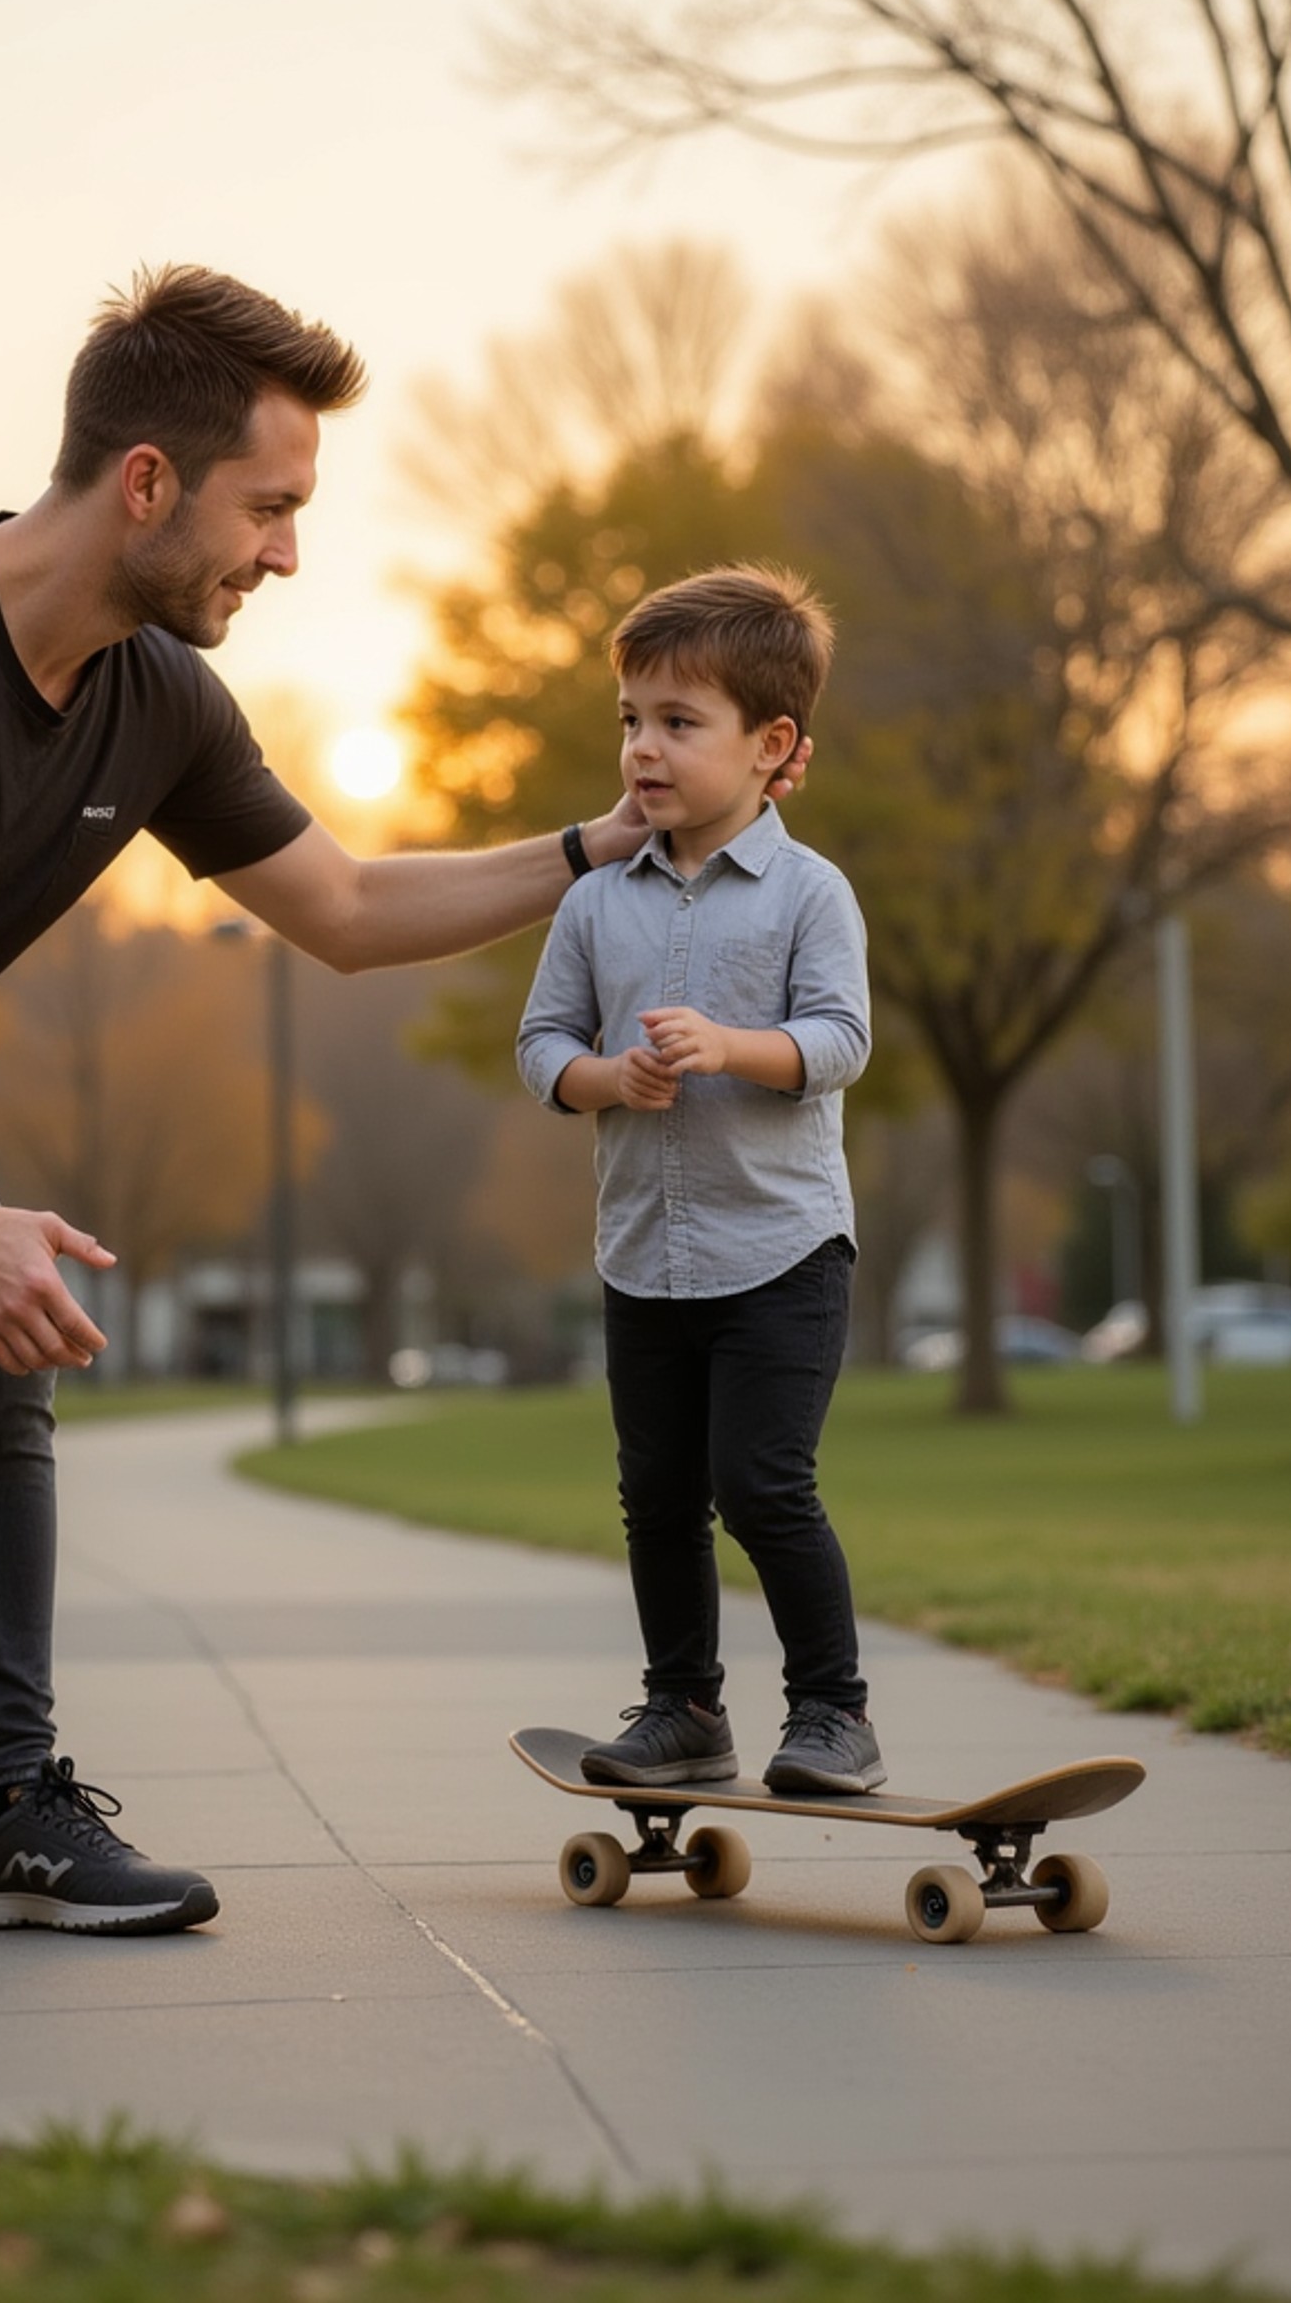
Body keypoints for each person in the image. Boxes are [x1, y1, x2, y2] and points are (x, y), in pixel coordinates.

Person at [0, 266, 811, 1940]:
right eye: (268, 509)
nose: (285, 554)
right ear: (146, 481)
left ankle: (6, 1816)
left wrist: (602, 842)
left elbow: (344, 913)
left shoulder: (159, 699)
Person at [516, 565, 882, 1797]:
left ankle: (832, 1713)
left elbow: (840, 1042)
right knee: (656, 1496)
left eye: (678, 723)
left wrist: (729, 1049)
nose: (641, 750)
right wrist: (602, 1082)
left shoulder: (807, 893)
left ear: (772, 745)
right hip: (643, 1254)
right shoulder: (593, 902)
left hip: (779, 1252)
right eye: (628, 720)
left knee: (760, 1484)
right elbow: (539, 1048)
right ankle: (683, 1709)